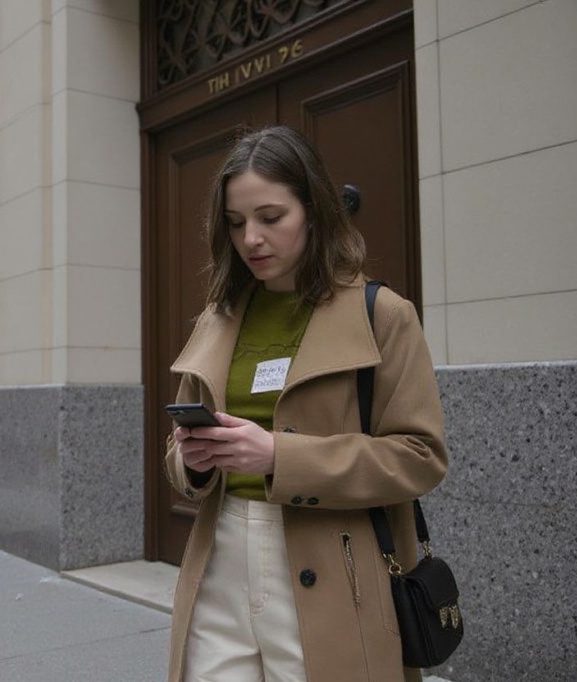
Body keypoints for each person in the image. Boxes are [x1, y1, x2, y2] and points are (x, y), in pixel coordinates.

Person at [165, 126, 448, 682]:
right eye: (236, 222)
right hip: (218, 563)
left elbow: (420, 456)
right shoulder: (216, 319)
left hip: (336, 571)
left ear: (314, 211)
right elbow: (178, 462)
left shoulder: (382, 315)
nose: (252, 239)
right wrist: (193, 462)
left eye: (271, 218)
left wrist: (279, 456)